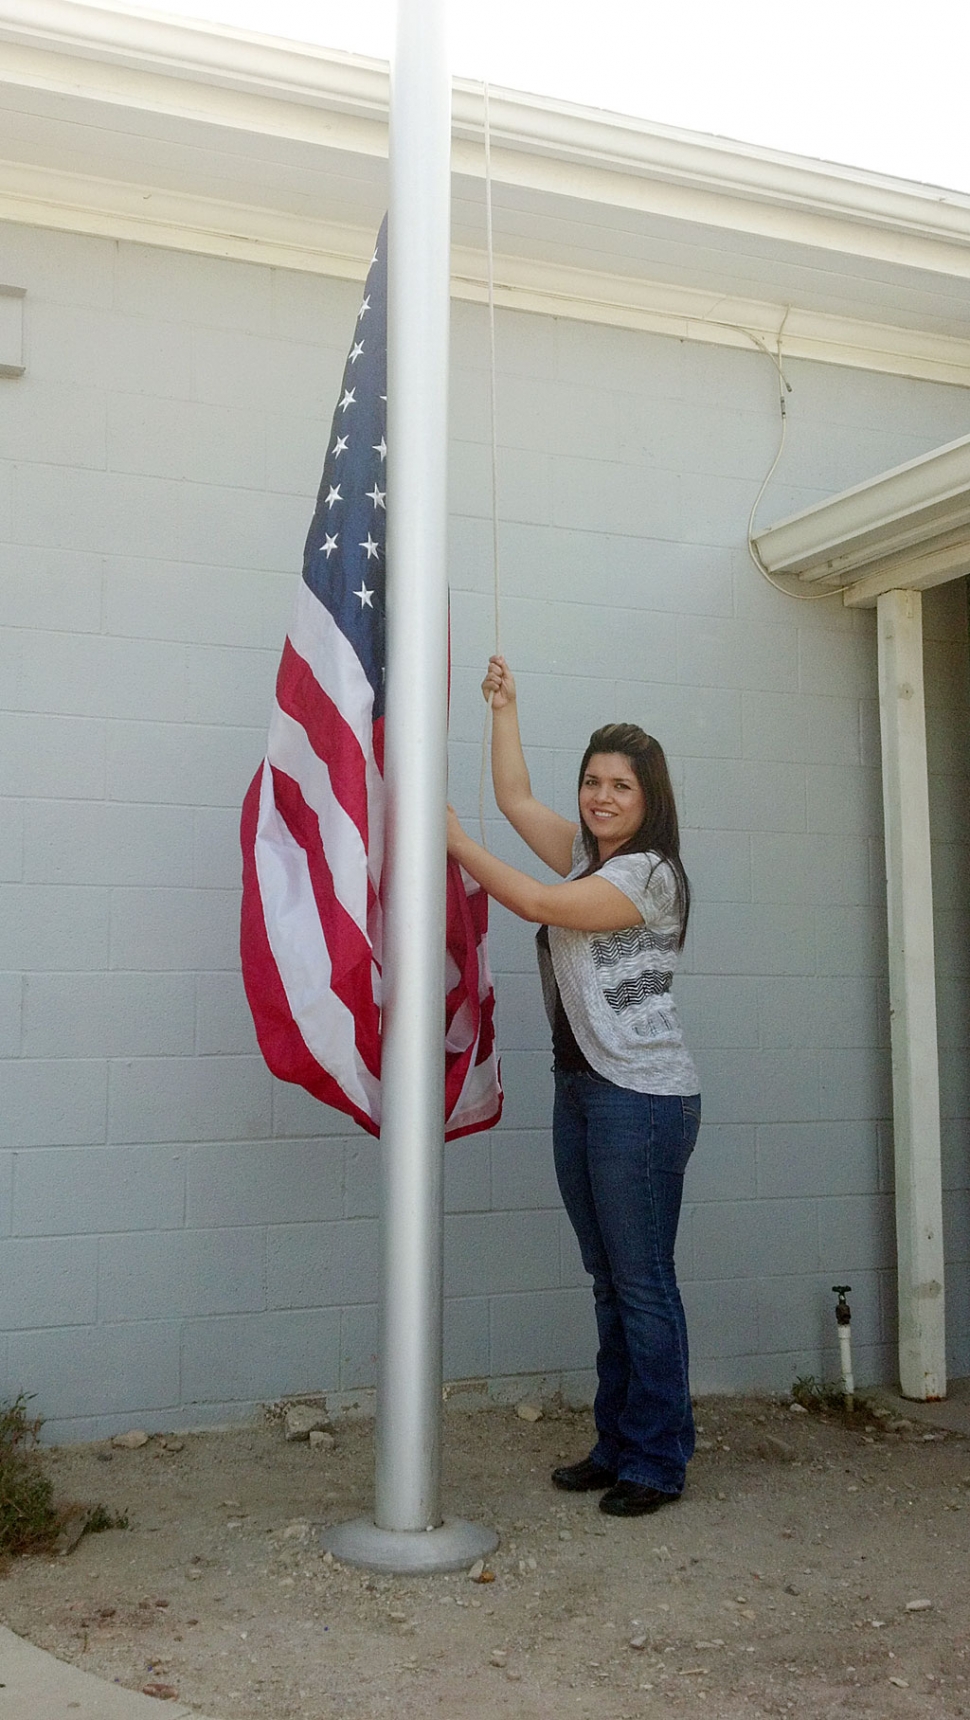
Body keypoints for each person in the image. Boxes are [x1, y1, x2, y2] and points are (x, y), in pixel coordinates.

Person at [446, 655, 700, 1517]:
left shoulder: (647, 873)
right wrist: (506, 708)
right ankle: (616, 1445)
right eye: (592, 782)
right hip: (583, 1088)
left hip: (642, 1099)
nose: (600, 798)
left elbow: (536, 904)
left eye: (619, 787)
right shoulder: (592, 854)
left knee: (641, 1282)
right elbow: (518, 800)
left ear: (648, 797)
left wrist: (453, 840)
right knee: (607, 1279)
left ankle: (658, 1462)